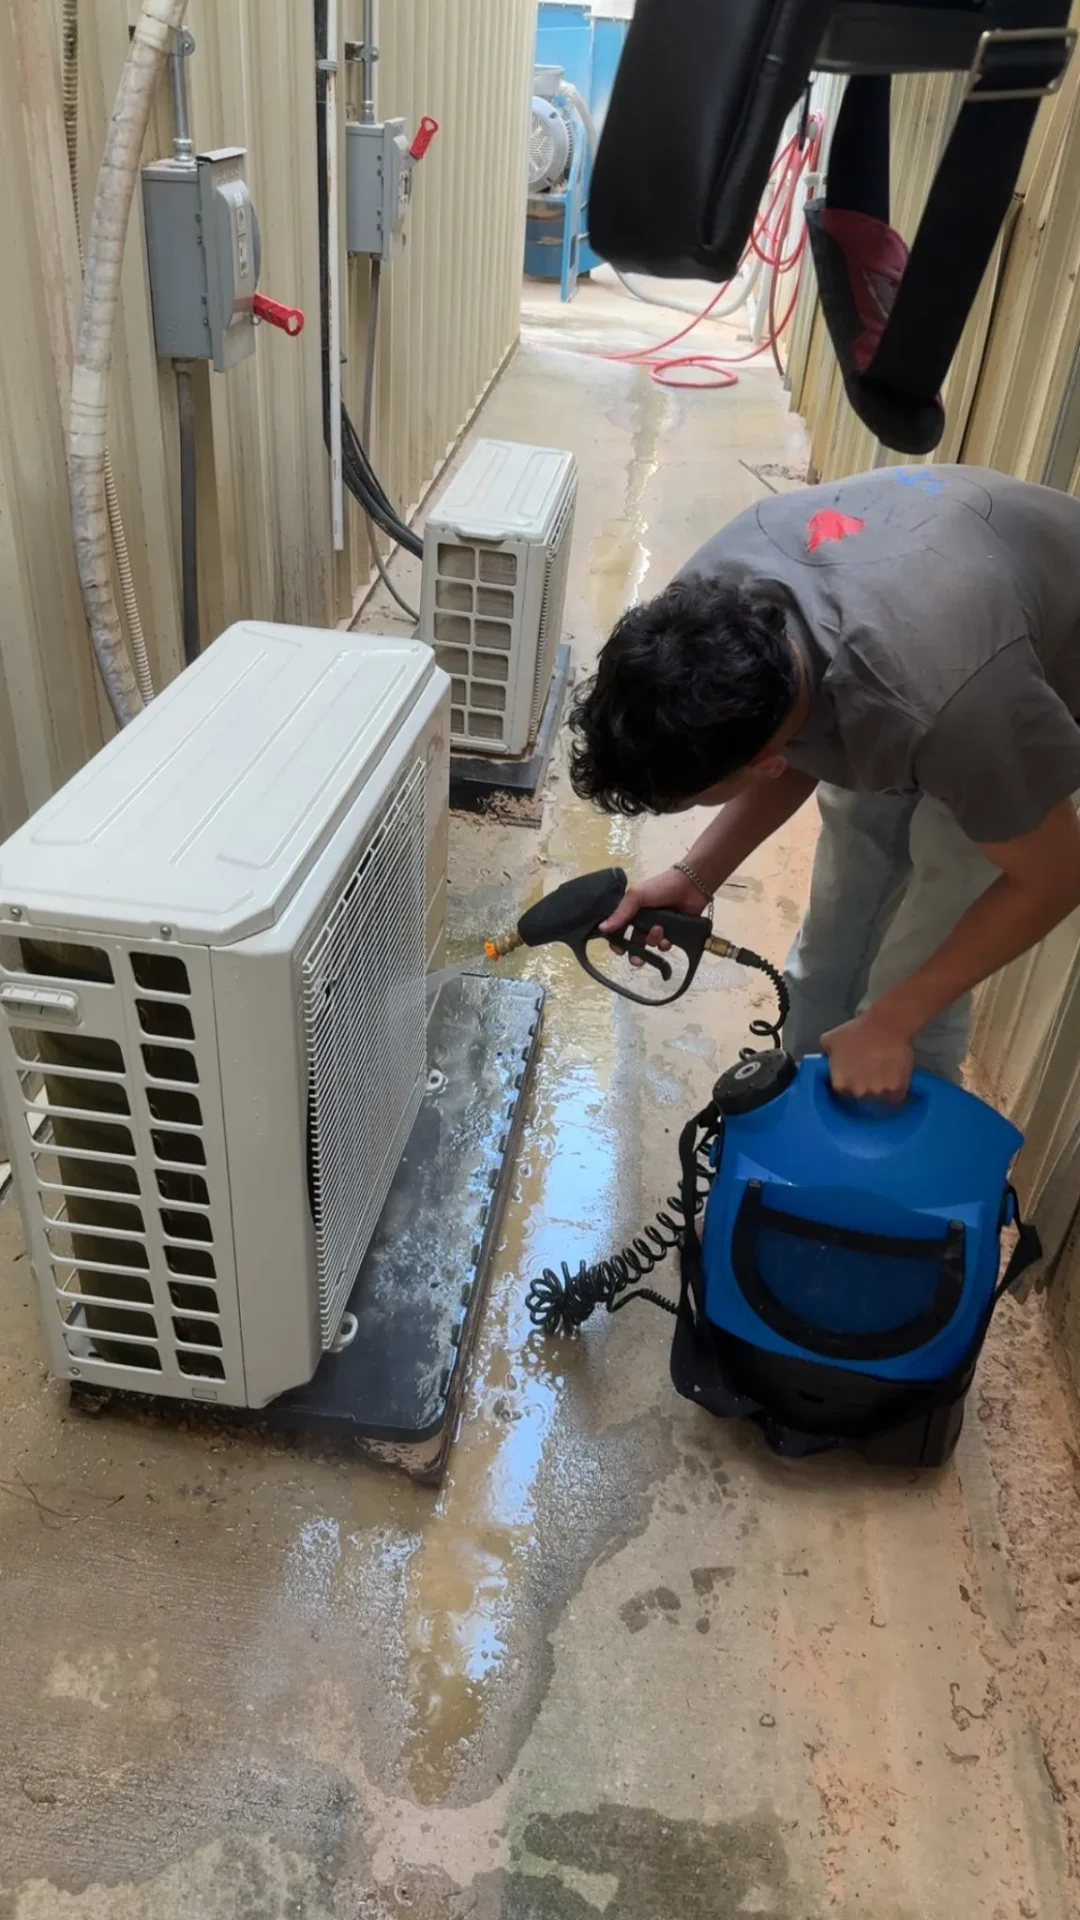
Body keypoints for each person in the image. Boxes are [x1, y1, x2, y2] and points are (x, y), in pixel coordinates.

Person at [568, 465, 1080, 1100]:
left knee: (915, 973)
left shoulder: (958, 710)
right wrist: (696, 875)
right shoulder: (701, 607)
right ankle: (807, 1114)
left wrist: (893, 1022)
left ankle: (888, 1173)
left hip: (1024, 672)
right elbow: (797, 736)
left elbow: (1054, 877)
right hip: (921, 616)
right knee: (836, 936)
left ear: (765, 765)